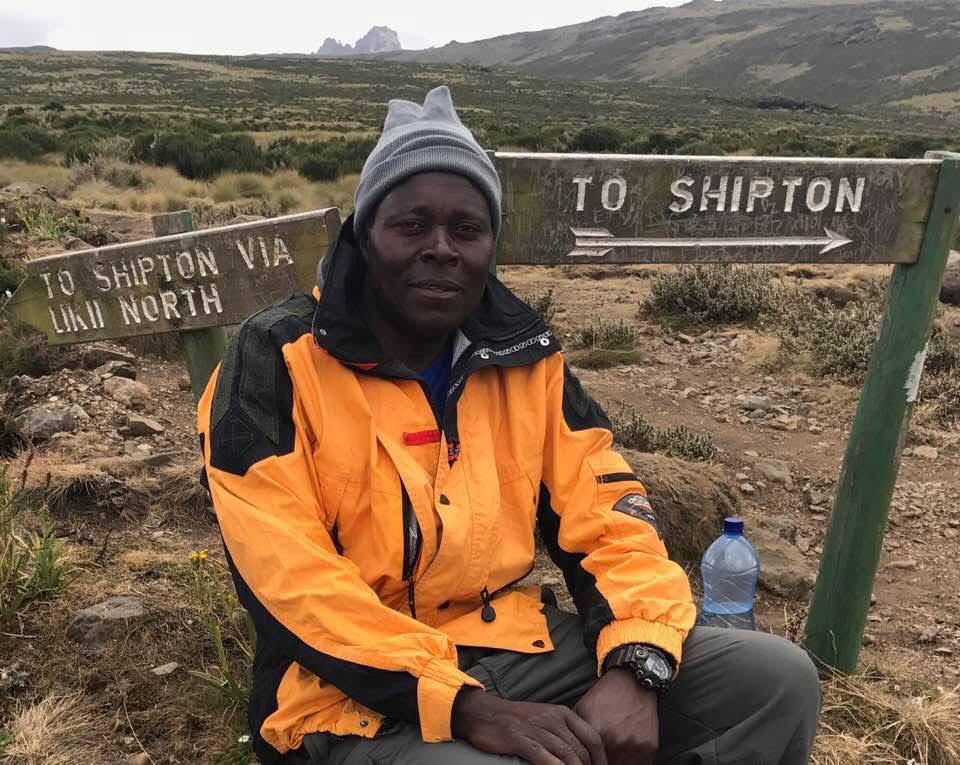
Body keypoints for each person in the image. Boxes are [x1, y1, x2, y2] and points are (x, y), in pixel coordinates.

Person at [197, 86, 820, 765]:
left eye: (466, 229)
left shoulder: (525, 355)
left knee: (777, 681)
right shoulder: (275, 360)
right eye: (411, 225)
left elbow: (609, 519)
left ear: (489, 243)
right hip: (347, 695)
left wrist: (638, 664)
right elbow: (292, 583)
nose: (441, 248)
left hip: (514, 641)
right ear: (365, 235)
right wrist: (468, 707)